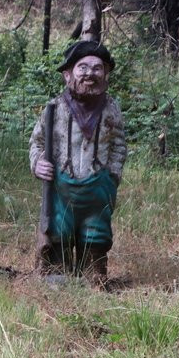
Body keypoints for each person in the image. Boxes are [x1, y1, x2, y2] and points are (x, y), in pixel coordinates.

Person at [29, 40, 128, 278]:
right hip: (62, 187)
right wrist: (38, 162)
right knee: (58, 232)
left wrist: (112, 175)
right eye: (82, 68)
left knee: (96, 234)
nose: (89, 74)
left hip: (97, 188)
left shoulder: (110, 108)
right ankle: (57, 274)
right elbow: (38, 142)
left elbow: (118, 144)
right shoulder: (55, 108)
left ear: (105, 74)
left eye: (97, 68)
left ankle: (93, 277)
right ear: (67, 74)